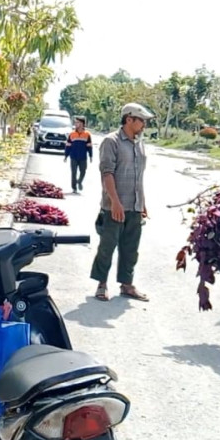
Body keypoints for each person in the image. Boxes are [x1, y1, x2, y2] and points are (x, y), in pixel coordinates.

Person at [90, 103, 154, 302]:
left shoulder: (139, 143)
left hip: (134, 205)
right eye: (141, 120)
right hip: (114, 206)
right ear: (129, 119)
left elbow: (139, 176)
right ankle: (101, 284)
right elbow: (107, 173)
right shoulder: (112, 141)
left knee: (131, 248)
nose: (144, 124)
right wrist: (115, 202)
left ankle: (127, 284)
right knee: (107, 247)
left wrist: (142, 203)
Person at [64, 116, 93, 193]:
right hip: (73, 156)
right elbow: (68, 145)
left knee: (83, 171)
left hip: (83, 157)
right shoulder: (72, 134)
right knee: (73, 172)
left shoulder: (87, 135)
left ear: (82, 124)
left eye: (78, 122)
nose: (76, 124)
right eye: (75, 122)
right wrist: (66, 155)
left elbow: (89, 146)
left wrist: (90, 156)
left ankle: (79, 181)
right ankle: (74, 188)